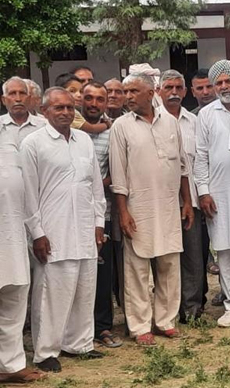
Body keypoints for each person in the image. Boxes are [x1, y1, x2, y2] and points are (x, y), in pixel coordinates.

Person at [21, 87, 107, 371]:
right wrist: (37, 233)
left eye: (70, 108)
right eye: (59, 108)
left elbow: (95, 187)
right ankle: (45, 351)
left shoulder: (83, 140)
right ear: (45, 111)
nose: (66, 113)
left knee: (84, 288)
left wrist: (98, 224)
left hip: (85, 229)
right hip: (53, 230)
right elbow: (29, 193)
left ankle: (80, 343)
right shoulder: (33, 143)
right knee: (51, 292)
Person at [110, 73, 194, 346]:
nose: (129, 96)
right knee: (137, 268)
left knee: (169, 264)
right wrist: (123, 211)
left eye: (134, 91)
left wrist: (187, 201)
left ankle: (165, 321)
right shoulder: (121, 127)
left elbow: (182, 166)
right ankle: (139, 325)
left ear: (151, 93)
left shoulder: (170, 122)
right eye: (126, 92)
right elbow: (118, 175)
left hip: (170, 204)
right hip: (138, 206)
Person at [195, 60, 230, 328]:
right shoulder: (206, 114)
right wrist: (203, 191)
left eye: (229, 81)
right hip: (220, 193)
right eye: (219, 82)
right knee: (227, 251)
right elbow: (201, 156)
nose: (224, 86)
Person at [0, 98, 46, 384]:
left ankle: (11, 364)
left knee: (14, 300)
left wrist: (36, 231)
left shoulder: (10, 143)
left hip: (14, 236)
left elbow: (28, 188)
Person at [157, 70, 206, 322]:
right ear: (158, 91)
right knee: (165, 259)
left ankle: (192, 309)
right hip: (160, 203)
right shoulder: (152, 122)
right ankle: (167, 311)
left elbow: (199, 162)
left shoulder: (194, 122)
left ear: (186, 92)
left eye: (178, 88)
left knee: (193, 257)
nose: (174, 92)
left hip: (192, 201)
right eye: (168, 88)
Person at [82, 82, 123, 349]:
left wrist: (93, 184)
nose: (94, 104)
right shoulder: (68, 128)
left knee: (102, 273)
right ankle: (76, 330)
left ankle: (103, 327)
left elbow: (117, 173)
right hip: (66, 214)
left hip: (102, 213)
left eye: (100, 99)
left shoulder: (112, 132)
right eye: (89, 98)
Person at [1, 76, 46, 146]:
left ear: (29, 98)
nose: (18, 99)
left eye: (22, 93)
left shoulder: (45, 126)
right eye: (12, 93)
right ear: (4, 100)